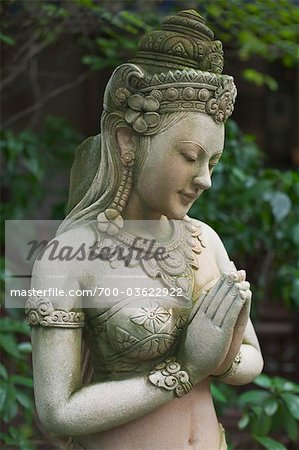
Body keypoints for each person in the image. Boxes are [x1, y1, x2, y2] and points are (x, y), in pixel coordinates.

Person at [26, 10, 263, 450]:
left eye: (213, 163)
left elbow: (252, 360)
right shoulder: (68, 255)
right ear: (127, 140)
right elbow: (57, 412)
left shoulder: (204, 239)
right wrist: (187, 369)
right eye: (190, 156)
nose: (204, 179)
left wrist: (223, 350)